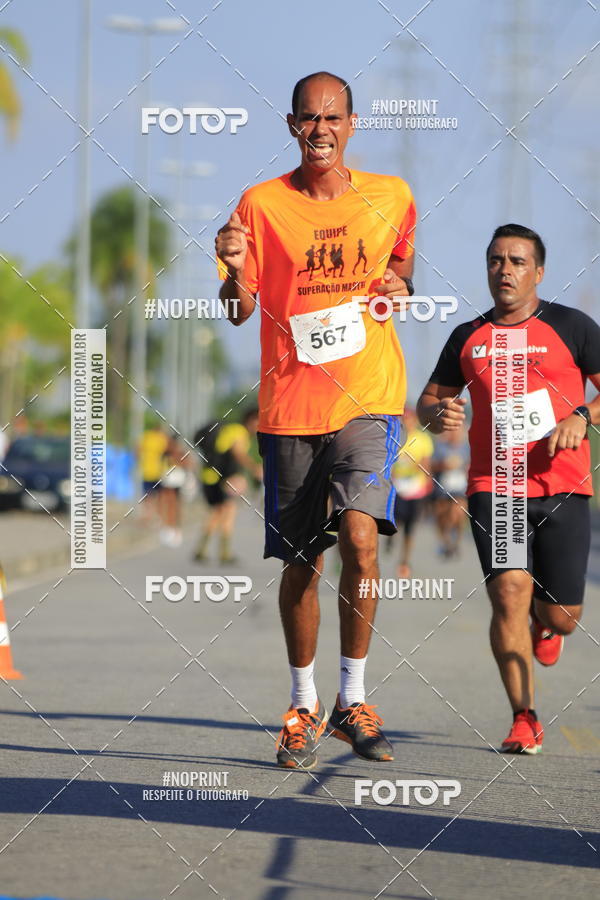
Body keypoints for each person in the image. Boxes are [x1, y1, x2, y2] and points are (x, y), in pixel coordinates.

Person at [216, 70, 417, 769]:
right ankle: (303, 705)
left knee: (361, 540)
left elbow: (402, 264)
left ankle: (352, 699)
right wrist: (233, 270)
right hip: (291, 406)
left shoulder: (392, 195)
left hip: (369, 397)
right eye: (308, 118)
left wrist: (401, 284)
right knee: (303, 561)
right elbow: (238, 309)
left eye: (332, 118)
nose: (320, 129)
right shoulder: (260, 204)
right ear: (292, 125)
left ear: (352, 125)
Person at [417, 223, 600, 754]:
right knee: (509, 593)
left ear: (538, 272)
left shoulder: (572, 326)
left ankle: (548, 623)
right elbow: (428, 401)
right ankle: (524, 717)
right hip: (496, 485)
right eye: (496, 260)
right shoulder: (468, 336)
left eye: (517, 261)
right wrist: (438, 413)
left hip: (563, 485)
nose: (505, 270)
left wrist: (582, 415)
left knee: (563, 617)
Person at [193, 408, 262, 564]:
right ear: (250, 420)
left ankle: (201, 549)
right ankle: (224, 552)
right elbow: (237, 452)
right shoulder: (240, 432)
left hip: (210, 474)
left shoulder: (230, 429)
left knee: (217, 511)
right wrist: (254, 468)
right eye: (258, 421)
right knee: (229, 511)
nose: (259, 426)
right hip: (223, 477)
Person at [388, 407, 434, 577]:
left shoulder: (423, 439)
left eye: (410, 419)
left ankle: (405, 560)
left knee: (410, 527)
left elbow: (426, 463)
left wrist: (427, 480)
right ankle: (391, 538)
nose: (408, 423)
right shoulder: (394, 437)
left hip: (416, 488)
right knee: (396, 520)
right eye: (404, 420)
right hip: (397, 487)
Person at [431, 426, 469, 559]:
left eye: (458, 432)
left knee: (458, 513)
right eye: (453, 432)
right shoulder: (441, 446)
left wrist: (467, 468)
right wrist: (444, 465)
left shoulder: (467, 448)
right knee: (441, 516)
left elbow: (473, 465)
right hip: (442, 488)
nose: (455, 435)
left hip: (461, 488)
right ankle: (445, 541)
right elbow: (432, 466)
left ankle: (456, 542)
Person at [159, 433, 189, 547]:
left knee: (174, 505)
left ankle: (174, 528)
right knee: (168, 503)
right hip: (169, 479)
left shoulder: (179, 452)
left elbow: (186, 463)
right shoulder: (166, 451)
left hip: (176, 479)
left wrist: (177, 459)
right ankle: (168, 527)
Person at [138, 422, 169, 524]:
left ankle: (148, 514)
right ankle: (157, 515)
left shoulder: (146, 437)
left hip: (147, 470)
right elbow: (168, 450)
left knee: (147, 495)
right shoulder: (162, 438)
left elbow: (138, 449)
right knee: (159, 495)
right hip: (159, 471)